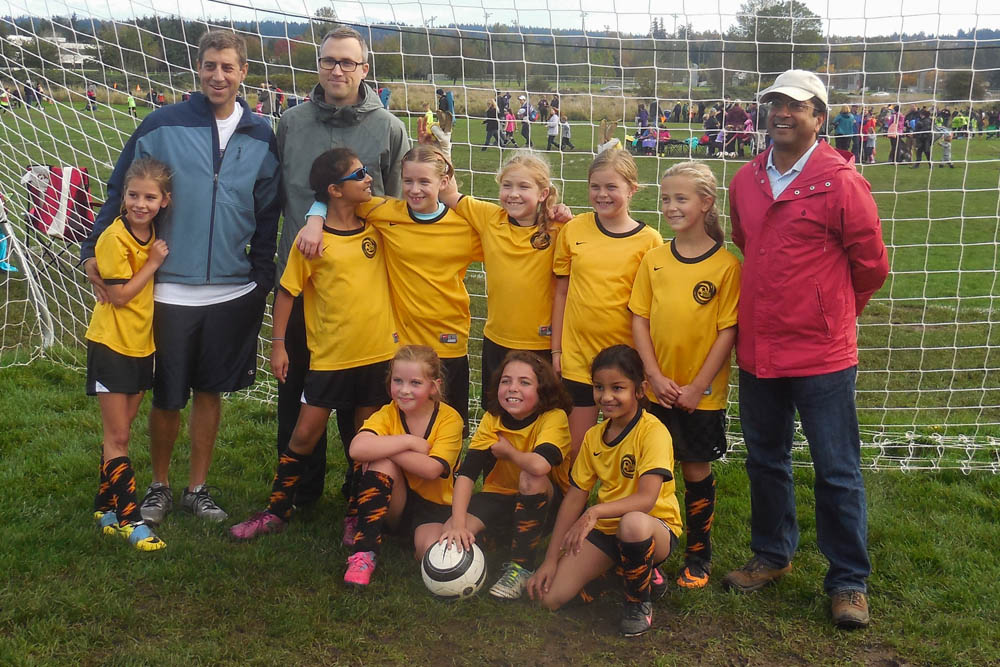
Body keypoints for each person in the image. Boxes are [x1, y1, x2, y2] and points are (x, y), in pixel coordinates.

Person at [80, 30, 281, 525]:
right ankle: (159, 486)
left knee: (210, 392)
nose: (219, 75)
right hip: (166, 288)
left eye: (228, 67)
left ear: (243, 73)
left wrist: (259, 276)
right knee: (169, 393)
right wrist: (89, 252)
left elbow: (269, 210)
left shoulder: (261, 134)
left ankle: (198, 487)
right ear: (199, 68)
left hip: (233, 289)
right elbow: (117, 193)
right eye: (210, 65)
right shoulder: (160, 124)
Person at [725, 69, 889, 630]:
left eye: (795, 106)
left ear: (820, 117)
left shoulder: (842, 182)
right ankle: (773, 555)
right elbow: (750, 246)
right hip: (759, 351)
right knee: (765, 460)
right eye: (774, 103)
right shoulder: (745, 181)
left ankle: (848, 580)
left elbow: (872, 266)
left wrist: (833, 313)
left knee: (837, 470)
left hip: (823, 355)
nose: (781, 113)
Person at [228, 149, 397, 541]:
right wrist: (279, 344)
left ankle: (357, 512)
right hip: (331, 357)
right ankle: (276, 509)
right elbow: (287, 293)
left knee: (365, 437)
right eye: (361, 174)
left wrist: (316, 211)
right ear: (336, 190)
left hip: (378, 353)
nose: (369, 178)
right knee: (304, 434)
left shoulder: (377, 228)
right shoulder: (311, 244)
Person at [275, 26, 409, 508]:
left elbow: (393, 203)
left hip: (360, 296)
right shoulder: (290, 122)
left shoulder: (388, 127)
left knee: (362, 404)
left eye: (347, 62)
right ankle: (298, 495)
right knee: (299, 399)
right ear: (318, 65)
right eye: (330, 60)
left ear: (364, 69)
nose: (337, 69)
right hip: (304, 282)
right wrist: (313, 217)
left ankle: (361, 493)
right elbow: (290, 194)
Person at [304, 145, 481, 437]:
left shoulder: (464, 227)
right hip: (403, 346)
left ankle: (446, 479)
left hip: (449, 341)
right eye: (408, 181)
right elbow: (335, 199)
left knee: (447, 429)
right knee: (400, 428)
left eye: (425, 182)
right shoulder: (386, 213)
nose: (415, 189)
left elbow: (509, 234)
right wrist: (315, 219)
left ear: (443, 183)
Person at [630, 161, 740, 589]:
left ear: (706, 203)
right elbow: (639, 318)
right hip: (657, 387)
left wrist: (697, 387)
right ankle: (652, 547)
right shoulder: (653, 259)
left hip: (701, 395)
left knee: (694, 470)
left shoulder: (726, 266)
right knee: (651, 472)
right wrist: (653, 376)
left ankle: (699, 555)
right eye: (665, 199)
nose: (670, 207)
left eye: (681, 198)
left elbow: (727, 330)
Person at [527, 345, 681, 638]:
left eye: (617, 388)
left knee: (632, 522)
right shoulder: (594, 436)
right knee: (549, 598)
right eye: (599, 387)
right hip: (608, 529)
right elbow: (575, 497)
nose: (606, 397)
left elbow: (647, 500)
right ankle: (626, 573)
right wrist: (550, 559)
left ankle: (638, 602)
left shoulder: (653, 432)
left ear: (640, 390)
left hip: (652, 528)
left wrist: (595, 511)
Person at [551, 149, 663, 461]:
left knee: (627, 452)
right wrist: (557, 349)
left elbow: (649, 311)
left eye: (611, 187)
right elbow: (561, 293)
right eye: (595, 186)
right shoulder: (574, 229)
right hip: (577, 358)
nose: (602, 194)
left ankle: (622, 507)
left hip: (625, 363)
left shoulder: (650, 241)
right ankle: (570, 509)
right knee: (575, 450)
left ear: (632, 189)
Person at [86, 157, 172, 552]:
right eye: (134, 195)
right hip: (112, 345)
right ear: (123, 197)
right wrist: (153, 263)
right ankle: (130, 520)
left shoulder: (153, 230)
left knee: (119, 433)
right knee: (118, 436)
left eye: (150, 197)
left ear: (164, 201)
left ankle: (104, 508)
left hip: (142, 346)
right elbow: (119, 296)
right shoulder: (112, 238)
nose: (141, 203)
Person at [437, 150, 566, 410]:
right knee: (498, 409)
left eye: (523, 186)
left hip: (540, 342)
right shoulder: (489, 218)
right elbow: (448, 194)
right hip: (497, 340)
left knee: (542, 412)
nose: (513, 193)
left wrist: (565, 214)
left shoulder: (558, 229)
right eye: (507, 185)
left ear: (542, 194)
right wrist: (439, 154)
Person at [441, 351, 572, 599]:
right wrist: (458, 524)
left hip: (547, 504)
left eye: (524, 382)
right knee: (448, 534)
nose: (513, 388)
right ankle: (494, 545)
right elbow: (467, 474)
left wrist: (508, 452)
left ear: (542, 389)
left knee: (530, 477)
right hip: (499, 496)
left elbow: (540, 465)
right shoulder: (493, 418)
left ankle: (521, 567)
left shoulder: (554, 417)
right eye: (506, 381)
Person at [344, 345, 464, 586]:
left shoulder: (450, 419)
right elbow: (356, 449)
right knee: (379, 460)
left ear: (434, 386)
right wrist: (408, 442)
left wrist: (387, 446)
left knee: (430, 556)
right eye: (397, 381)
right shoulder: (388, 413)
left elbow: (432, 470)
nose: (404, 390)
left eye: (415, 383)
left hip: (435, 508)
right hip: (395, 506)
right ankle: (364, 552)